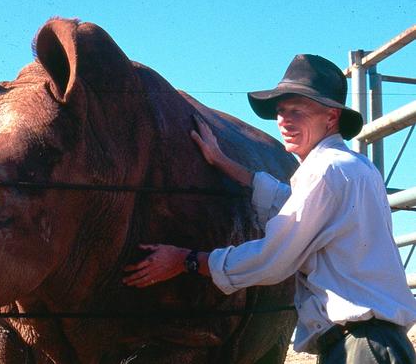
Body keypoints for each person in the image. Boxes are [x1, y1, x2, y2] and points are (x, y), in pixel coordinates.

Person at [123, 54, 416, 363]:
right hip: (375, 343)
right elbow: (290, 204)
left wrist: (187, 260)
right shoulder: (353, 167)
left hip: (361, 347)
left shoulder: (325, 170)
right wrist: (224, 162)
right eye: (280, 111)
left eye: (297, 111)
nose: (284, 121)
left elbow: (272, 258)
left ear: (330, 118)